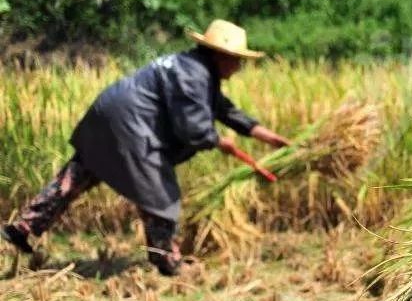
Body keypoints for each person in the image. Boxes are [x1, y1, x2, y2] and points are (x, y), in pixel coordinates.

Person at [1, 19, 290, 275]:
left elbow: (226, 111)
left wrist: (271, 138)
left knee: (78, 175)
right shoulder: (195, 75)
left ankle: (24, 226)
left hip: (107, 115)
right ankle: (167, 260)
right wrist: (217, 140)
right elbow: (193, 128)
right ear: (220, 55)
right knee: (160, 195)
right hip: (132, 126)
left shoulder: (192, 67)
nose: (239, 66)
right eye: (236, 59)